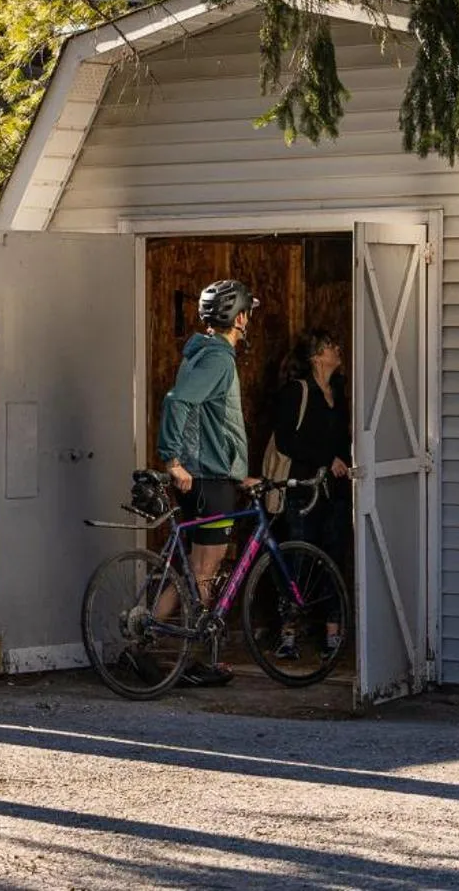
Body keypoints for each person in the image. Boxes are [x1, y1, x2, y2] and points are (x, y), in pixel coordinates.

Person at [156, 277, 260, 686]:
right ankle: (197, 658)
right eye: (247, 311)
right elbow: (179, 401)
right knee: (204, 571)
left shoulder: (202, 354)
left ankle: (146, 639)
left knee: (193, 570)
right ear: (239, 318)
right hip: (206, 479)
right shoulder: (218, 359)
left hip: (214, 475)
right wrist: (172, 460)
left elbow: (212, 421)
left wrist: (238, 472)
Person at [266, 330, 351, 654]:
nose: (338, 350)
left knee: (332, 559)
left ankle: (332, 634)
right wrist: (326, 459)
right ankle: (288, 634)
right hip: (303, 490)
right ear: (316, 356)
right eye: (331, 346)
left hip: (335, 492)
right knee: (299, 559)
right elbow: (287, 441)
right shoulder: (296, 393)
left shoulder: (339, 391)